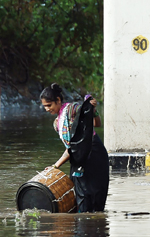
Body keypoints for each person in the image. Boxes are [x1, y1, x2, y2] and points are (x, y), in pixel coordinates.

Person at [40, 83, 109, 212]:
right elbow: (71, 149)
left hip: (94, 154)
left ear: (58, 100)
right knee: (79, 195)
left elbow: (96, 123)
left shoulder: (72, 109)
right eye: (45, 106)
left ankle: (94, 224)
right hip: (78, 158)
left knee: (95, 194)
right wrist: (55, 166)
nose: (47, 109)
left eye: (49, 105)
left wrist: (92, 109)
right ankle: (84, 224)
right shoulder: (57, 124)